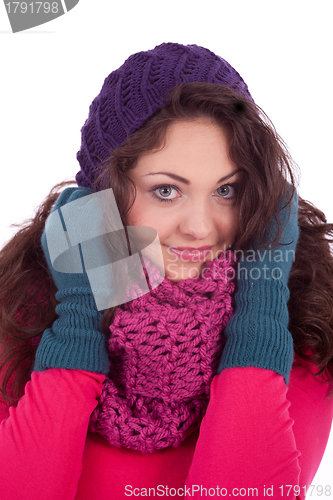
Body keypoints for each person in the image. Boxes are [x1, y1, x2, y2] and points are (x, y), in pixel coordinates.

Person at [0, 42, 333, 500]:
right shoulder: (16, 323)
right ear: (105, 198)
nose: (199, 228)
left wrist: (261, 308)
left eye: (227, 191)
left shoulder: (306, 344)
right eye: (166, 192)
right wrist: (79, 315)